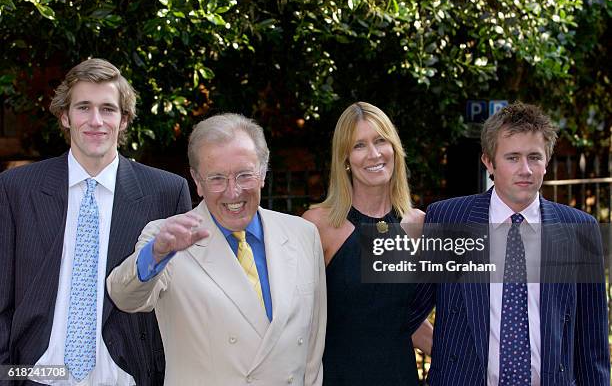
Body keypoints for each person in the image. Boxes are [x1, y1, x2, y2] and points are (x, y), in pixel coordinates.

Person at [0, 58, 192, 385]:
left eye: (108, 109)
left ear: (124, 119)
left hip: (125, 377)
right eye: (83, 107)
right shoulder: (17, 188)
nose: (95, 121)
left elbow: (179, 303)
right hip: (38, 375)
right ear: (65, 116)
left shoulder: (167, 192)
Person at [107, 113, 327, 385]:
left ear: (262, 174)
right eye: (217, 179)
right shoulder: (167, 238)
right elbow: (124, 297)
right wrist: (157, 254)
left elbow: (313, 352)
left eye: (244, 175)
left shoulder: (303, 235)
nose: (233, 192)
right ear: (197, 182)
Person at [415, 102, 610, 385]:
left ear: (547, 161)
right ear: (488, 162)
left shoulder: (579, 229)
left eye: (534, 157)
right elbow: (406, 310)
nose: (526, 169)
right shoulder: (448, 219)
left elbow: (592, 347)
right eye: (513, 158)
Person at [302, 102, 432, 385]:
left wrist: (480, 363)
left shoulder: (418, 226)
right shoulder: (319, 226)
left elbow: (406, 320)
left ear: (394, 148)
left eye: (380, 140)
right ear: (345, 158)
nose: (374, 154)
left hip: (400, 376)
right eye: (359, 145)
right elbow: (296, 319)